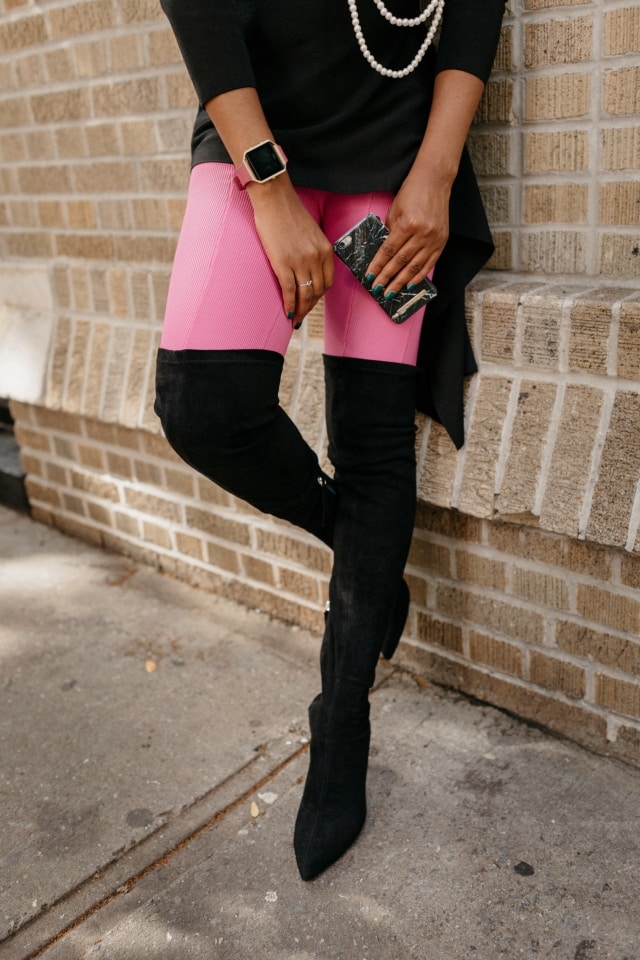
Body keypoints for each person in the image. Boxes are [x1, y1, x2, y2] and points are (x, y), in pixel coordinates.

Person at [155, 0, 506, 881]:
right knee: (204, 406)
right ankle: (358, 549)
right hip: (256, 136)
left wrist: (435, 170)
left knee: (374, 440)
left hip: (393, 155)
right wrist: (269, 189)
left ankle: (342, 719)